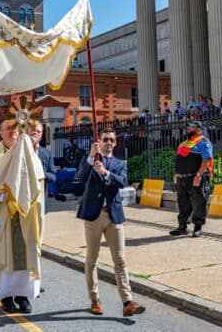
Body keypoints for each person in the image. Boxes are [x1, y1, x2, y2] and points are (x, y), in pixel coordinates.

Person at [77, 127, 145, 317]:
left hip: (113, 215)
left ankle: (128, 302)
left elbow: (122, 181)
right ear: (99, 141)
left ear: (115, 143)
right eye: (105, 139)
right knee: (92, 259)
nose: (108, 143)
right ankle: (95, 300)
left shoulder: (119, 163)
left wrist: (106, 172)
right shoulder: (90, 160)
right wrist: (91, 159)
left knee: (120, 260)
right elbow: (81, 178)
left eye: (111, 140)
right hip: (93, 215)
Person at [0, 120, 44, 314]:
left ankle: (23, 296)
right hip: (3, 211)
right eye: (8, 129)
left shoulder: (28, 153)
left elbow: (37, 182)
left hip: (25, 214)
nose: (13, 132)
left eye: (16, 129)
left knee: (25, 254)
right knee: (6, 253)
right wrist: (3, 193)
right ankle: (6, 296)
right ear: (0, 132)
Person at [170, 120, 214, 238]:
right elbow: (179, 160)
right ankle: (182, 227)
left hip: (195, 177)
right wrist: (176, 173)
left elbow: (206, 159)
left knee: (198, 203)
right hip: (182, 178)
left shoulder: (203, 142)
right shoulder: (183, 143)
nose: (188, 129)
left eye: (191, 127)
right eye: (188, 127)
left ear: (199, 129)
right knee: (183, 203)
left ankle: (197, 227)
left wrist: (199, 175)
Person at [30, 121, 56, 207]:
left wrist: (41, 173)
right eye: (33, 130)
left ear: (41, 135)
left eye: (38, 131)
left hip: (39, 200)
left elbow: (53, 177)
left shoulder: (46, 153)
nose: (35, 133)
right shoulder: (19, 151)